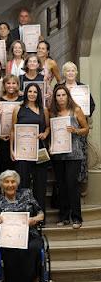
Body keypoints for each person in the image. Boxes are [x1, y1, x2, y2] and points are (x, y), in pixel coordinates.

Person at [50, 85, 89, 229]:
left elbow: (86, 129)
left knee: (72, 184)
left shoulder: (76, 110)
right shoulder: (53, 113)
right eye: (58, 95)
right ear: (55, 98)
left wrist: (75, 130)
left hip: (74, 154)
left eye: (63, 95)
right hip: (58, 155)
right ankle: (64, 217)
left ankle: (77, 218)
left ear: (68, 96)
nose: (61, 98)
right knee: (61, 186)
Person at [10, 83, 50, 215]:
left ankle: (40, 216)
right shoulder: (18, 109)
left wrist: (45, 134)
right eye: (30, 91)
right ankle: (24, 214)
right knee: (23, 184)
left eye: (35, 92)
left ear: (38, 94)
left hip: (39, 151)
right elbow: (12, 130)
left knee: (40, 184)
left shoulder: (43, 110)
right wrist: (12, 149)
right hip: (22, 152)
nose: (32, 94)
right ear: (26, 92)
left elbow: (48, 127)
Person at [61, 61, 95, 186]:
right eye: (67, 70)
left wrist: (83, 113)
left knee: (80, 158)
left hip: (80, 128)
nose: (70, 73)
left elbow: (92, 105)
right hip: (63, 128)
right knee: (64, 160)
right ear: (64, 73)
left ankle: (79, 186)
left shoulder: (83, 88)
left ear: (76, 72)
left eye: (72, 70)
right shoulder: (59, 88)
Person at [0, 75, 23, 175]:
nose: (11, 86)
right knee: (4, 167)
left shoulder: (22, 100)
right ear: (4, 85)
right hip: (3, 139)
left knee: (18, 166)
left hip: (19, 139)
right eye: (8, 83)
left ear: (17, 85)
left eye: (13, 83)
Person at [37, 40, 61, 107]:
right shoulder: (33, 61)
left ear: (47, 51)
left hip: (47, 92)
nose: (40, 50)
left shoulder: (51, 63)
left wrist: (55, 92)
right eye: (39, 48)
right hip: (35, 91)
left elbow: (59, 80)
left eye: (43, 48)